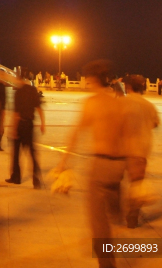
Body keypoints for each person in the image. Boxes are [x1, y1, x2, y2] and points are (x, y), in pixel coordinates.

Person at [58, 60, 126, 268]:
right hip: (119, 166)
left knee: (97, 220)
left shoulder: (92, 102)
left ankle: (106, 261)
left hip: (101, 165)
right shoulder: (119, 102)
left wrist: (63, 163)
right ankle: (117, 215)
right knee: (113, 206)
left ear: (90, 79)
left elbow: (76, 133)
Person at [122, 75, 159, 228]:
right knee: (137, 183)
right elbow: (155, 123)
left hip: (122, 148)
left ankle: (118, 211)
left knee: (116, 182)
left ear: (128, 87)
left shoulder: (122, 102)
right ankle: (133, 216)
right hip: (141, 149)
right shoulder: (149, 105)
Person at [6, 80, 45, 188]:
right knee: (32, 153)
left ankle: (16, 177)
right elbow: (39, 108)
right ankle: (36, 178)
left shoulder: (18, 92)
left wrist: (13, 129)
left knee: (16, 153)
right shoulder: (33, 90)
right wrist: (43, 123)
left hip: (20, 125)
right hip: (29, 125)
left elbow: (16, 114)